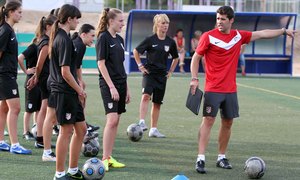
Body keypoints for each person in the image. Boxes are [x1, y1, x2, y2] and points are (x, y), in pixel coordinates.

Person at [190, 6, 295, 174]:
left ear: (231, 20)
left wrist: (283, 31)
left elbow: (262, 33)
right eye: (218, 18)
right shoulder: (207, 37)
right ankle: (200, 158)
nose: (219, 22)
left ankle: (221, 157)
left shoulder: (238, 36)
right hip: (213, 88)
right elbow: (196, 58)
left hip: (231, 90)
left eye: (223, 19)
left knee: (228, 122)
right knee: (208, 120)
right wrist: (194, 79)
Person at [48, 4, 86, 179]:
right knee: (66, 132)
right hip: (64, 92)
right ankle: (59, 174)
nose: (78, 21)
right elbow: (65, 72)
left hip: (69, 92)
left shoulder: (65, 37)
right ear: (69, 19)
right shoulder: (63, 39)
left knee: (82, 130)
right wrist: (80, 90)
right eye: (76, 18)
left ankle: (72, 169)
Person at [95, 7, 130, 172]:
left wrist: (127, 88)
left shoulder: (120, 40)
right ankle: (104, 158)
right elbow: (101, 64)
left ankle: (109, 157)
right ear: (111, 21)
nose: (123, 23)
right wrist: (111, 87)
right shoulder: (103, 38)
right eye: (120, 20)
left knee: (117, 121)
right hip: (109, 84)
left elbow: (121, 66)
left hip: (121, 84)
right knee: (112, 120)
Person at [133, 14, 179, 138]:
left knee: (157, 103)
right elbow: (136, 51)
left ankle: (153, 129)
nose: (165, 26)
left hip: (162, 76)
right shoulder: (150, 39)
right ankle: (142, 122)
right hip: (149, 74)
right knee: (146, 96)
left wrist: (170, 71)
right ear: (157, 24)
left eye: (167, 23)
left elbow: (176, 58)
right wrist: (140, 66)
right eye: (163, 23)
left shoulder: (170, 42)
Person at [0, 0, 32, 155]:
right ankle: (15, 144)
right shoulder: (5, 30)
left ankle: (0, 141)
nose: (21, 14)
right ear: (11, 12)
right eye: (19, 12)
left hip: (6, 75)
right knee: (16, 108)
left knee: (4, 108)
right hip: (5, 75)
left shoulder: (9, 30)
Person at [71, 24, 100, 138]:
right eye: (92, 36)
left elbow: (77, 65)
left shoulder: (81, 45)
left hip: (70, 78)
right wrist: (77, 82)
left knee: (81, 98)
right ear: (83, 35)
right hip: (63, 81)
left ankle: (83, 126)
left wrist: (80, 80)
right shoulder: (78, 45)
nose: (93, 39)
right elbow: (70, 66)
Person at [18, 37, 41, 140]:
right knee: (29, 109)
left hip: (40, 81)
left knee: (39, 109)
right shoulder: (32, 47)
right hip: (31, 81)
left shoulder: (42, 47)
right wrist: (26, 71)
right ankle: (25, 132)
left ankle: (35, 129)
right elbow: (20, 58)